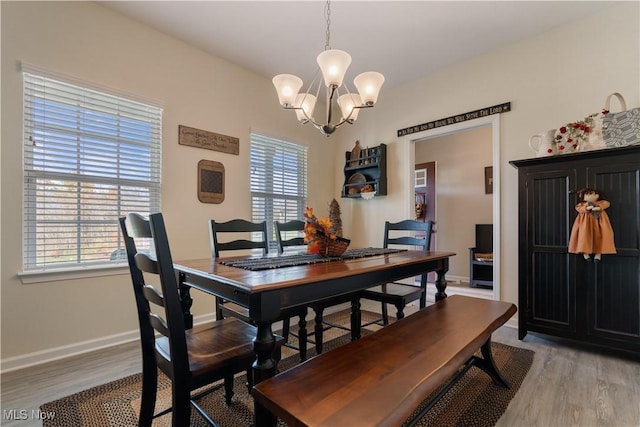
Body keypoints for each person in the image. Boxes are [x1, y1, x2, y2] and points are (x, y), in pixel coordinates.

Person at [568, 188, 616, 262]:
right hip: (585, 224)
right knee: (584, 237)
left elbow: (606, 204)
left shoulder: (601, 203)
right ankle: (585, 253)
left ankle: (598, 253)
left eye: (594, 194)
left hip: (600, 222)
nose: (592, 196)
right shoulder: (582, 204)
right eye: (588, 194)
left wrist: (598, 207)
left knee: (600, 236)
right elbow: (579, 208)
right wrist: (587, 208)